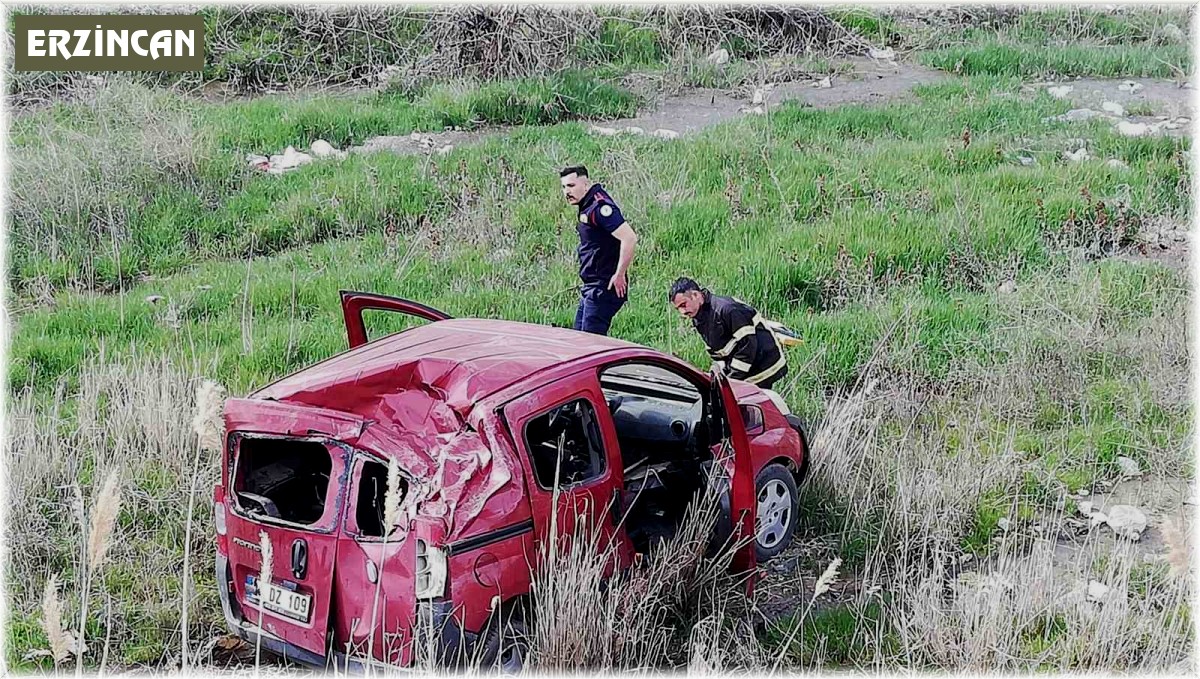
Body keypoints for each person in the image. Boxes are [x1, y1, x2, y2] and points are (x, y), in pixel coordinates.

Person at [668, 277, 790, 389]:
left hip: (764, 362)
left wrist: (732, 379)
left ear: (696, 295)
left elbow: (748, 346)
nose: (682, 312)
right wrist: (721, 371)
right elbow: (718, 349)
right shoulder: (698, 316)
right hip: (746, 364)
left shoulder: (727, 309)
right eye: (678, 308)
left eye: (683, 305)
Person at [560, 165, 638, 335]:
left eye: (571, 186)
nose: (566, 191)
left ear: (585, 184)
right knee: (577, 341)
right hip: (591, 287)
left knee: (590, 347)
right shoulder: (587, 205)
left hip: (602, 287)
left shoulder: (600, 207)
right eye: (564, 187)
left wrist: (619, 274)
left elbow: (629, 238)